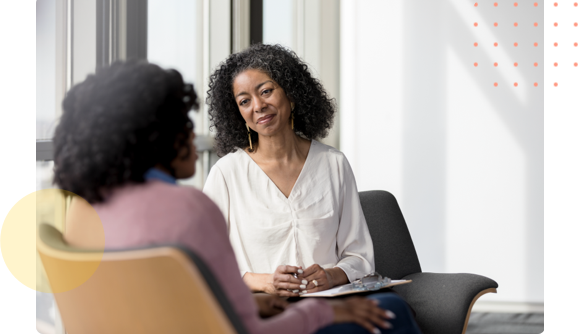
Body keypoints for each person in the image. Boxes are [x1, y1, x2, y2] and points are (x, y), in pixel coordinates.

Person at [52, 59, 421, 334]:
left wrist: (279, 296)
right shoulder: (193, 204)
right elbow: (238, 322)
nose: (197, 139)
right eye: (184, 125)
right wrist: (323, 312)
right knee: (391, 311)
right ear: (155, 137)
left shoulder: (81, 216)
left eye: (266, 91)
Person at [203, 43, 372, 296]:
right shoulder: (226, 174)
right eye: (244, 101)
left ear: (291, 94)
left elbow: (359, 256)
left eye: (267, 91)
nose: (258, 106)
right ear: (237, 112)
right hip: (265, 310)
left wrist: (331, 275)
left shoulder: (333, 164)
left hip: (331, 304)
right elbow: (204, 261)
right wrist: (263, 282)